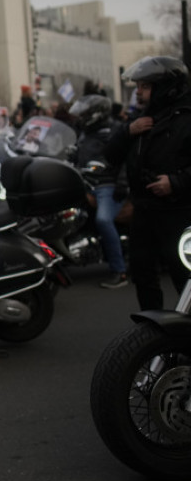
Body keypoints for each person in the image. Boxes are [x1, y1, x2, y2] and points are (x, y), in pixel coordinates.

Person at [105, 56, 191, 312]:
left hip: (178, 213)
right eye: (137, 87)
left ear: (165, 87)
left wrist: (176, 182)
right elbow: (110, 154)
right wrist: (127, 132)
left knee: (183, 278)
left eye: (144, 87)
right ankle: (155, 337)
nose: (138, 93)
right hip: (143, 210)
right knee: (142, 274)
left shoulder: (186, 119)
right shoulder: (140, 119)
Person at [69, 94, 128, 288]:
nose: (81, 117)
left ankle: (119, 271)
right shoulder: (85, 133)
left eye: (85, 114)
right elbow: (78, 155)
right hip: (85, 183)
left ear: (96, 114)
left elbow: (125, 159)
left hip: (106, 185)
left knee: (103, 219)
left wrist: (121, 184)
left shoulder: (115, 130)